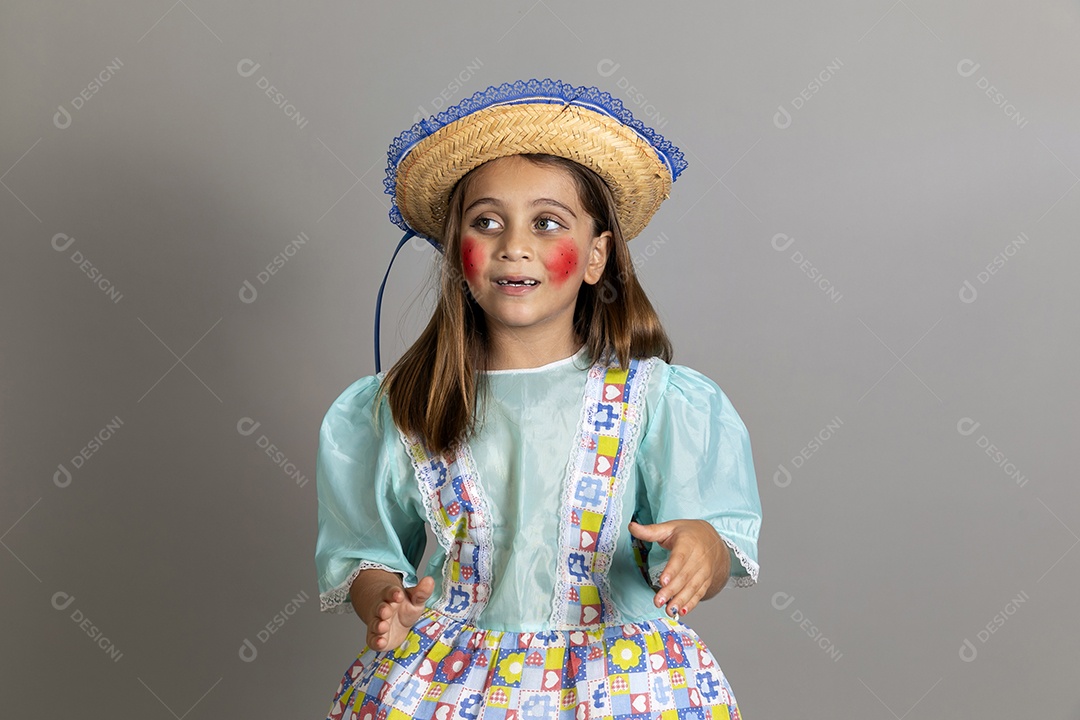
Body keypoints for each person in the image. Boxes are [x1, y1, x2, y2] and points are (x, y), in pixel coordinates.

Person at [315, 78, 762, 719]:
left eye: (546, 223)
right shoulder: (403, 405)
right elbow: (364, 552)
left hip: (621, 685)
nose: (513, 244)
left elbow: (713, 536)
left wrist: (704, 550)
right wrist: (385, 600)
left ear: (594, 255)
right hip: (449, 686)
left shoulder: (659, 401)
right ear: (456, 252)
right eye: (486, 222)